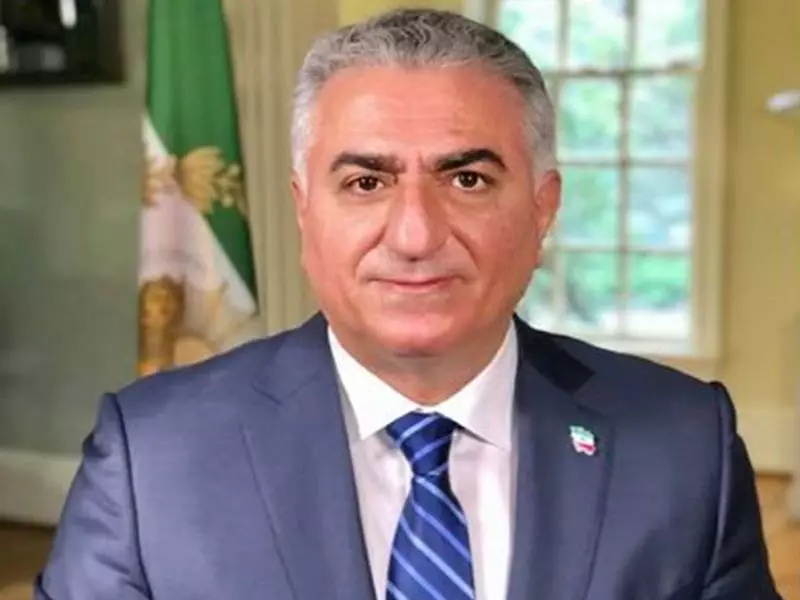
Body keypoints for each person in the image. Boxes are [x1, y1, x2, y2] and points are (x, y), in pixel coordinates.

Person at [35, 8, 782, 600]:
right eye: (366, 183)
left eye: (467, 180)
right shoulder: (151, 457)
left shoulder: (686, 445)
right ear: (304, 209)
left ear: (543, 208)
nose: (416, 235)